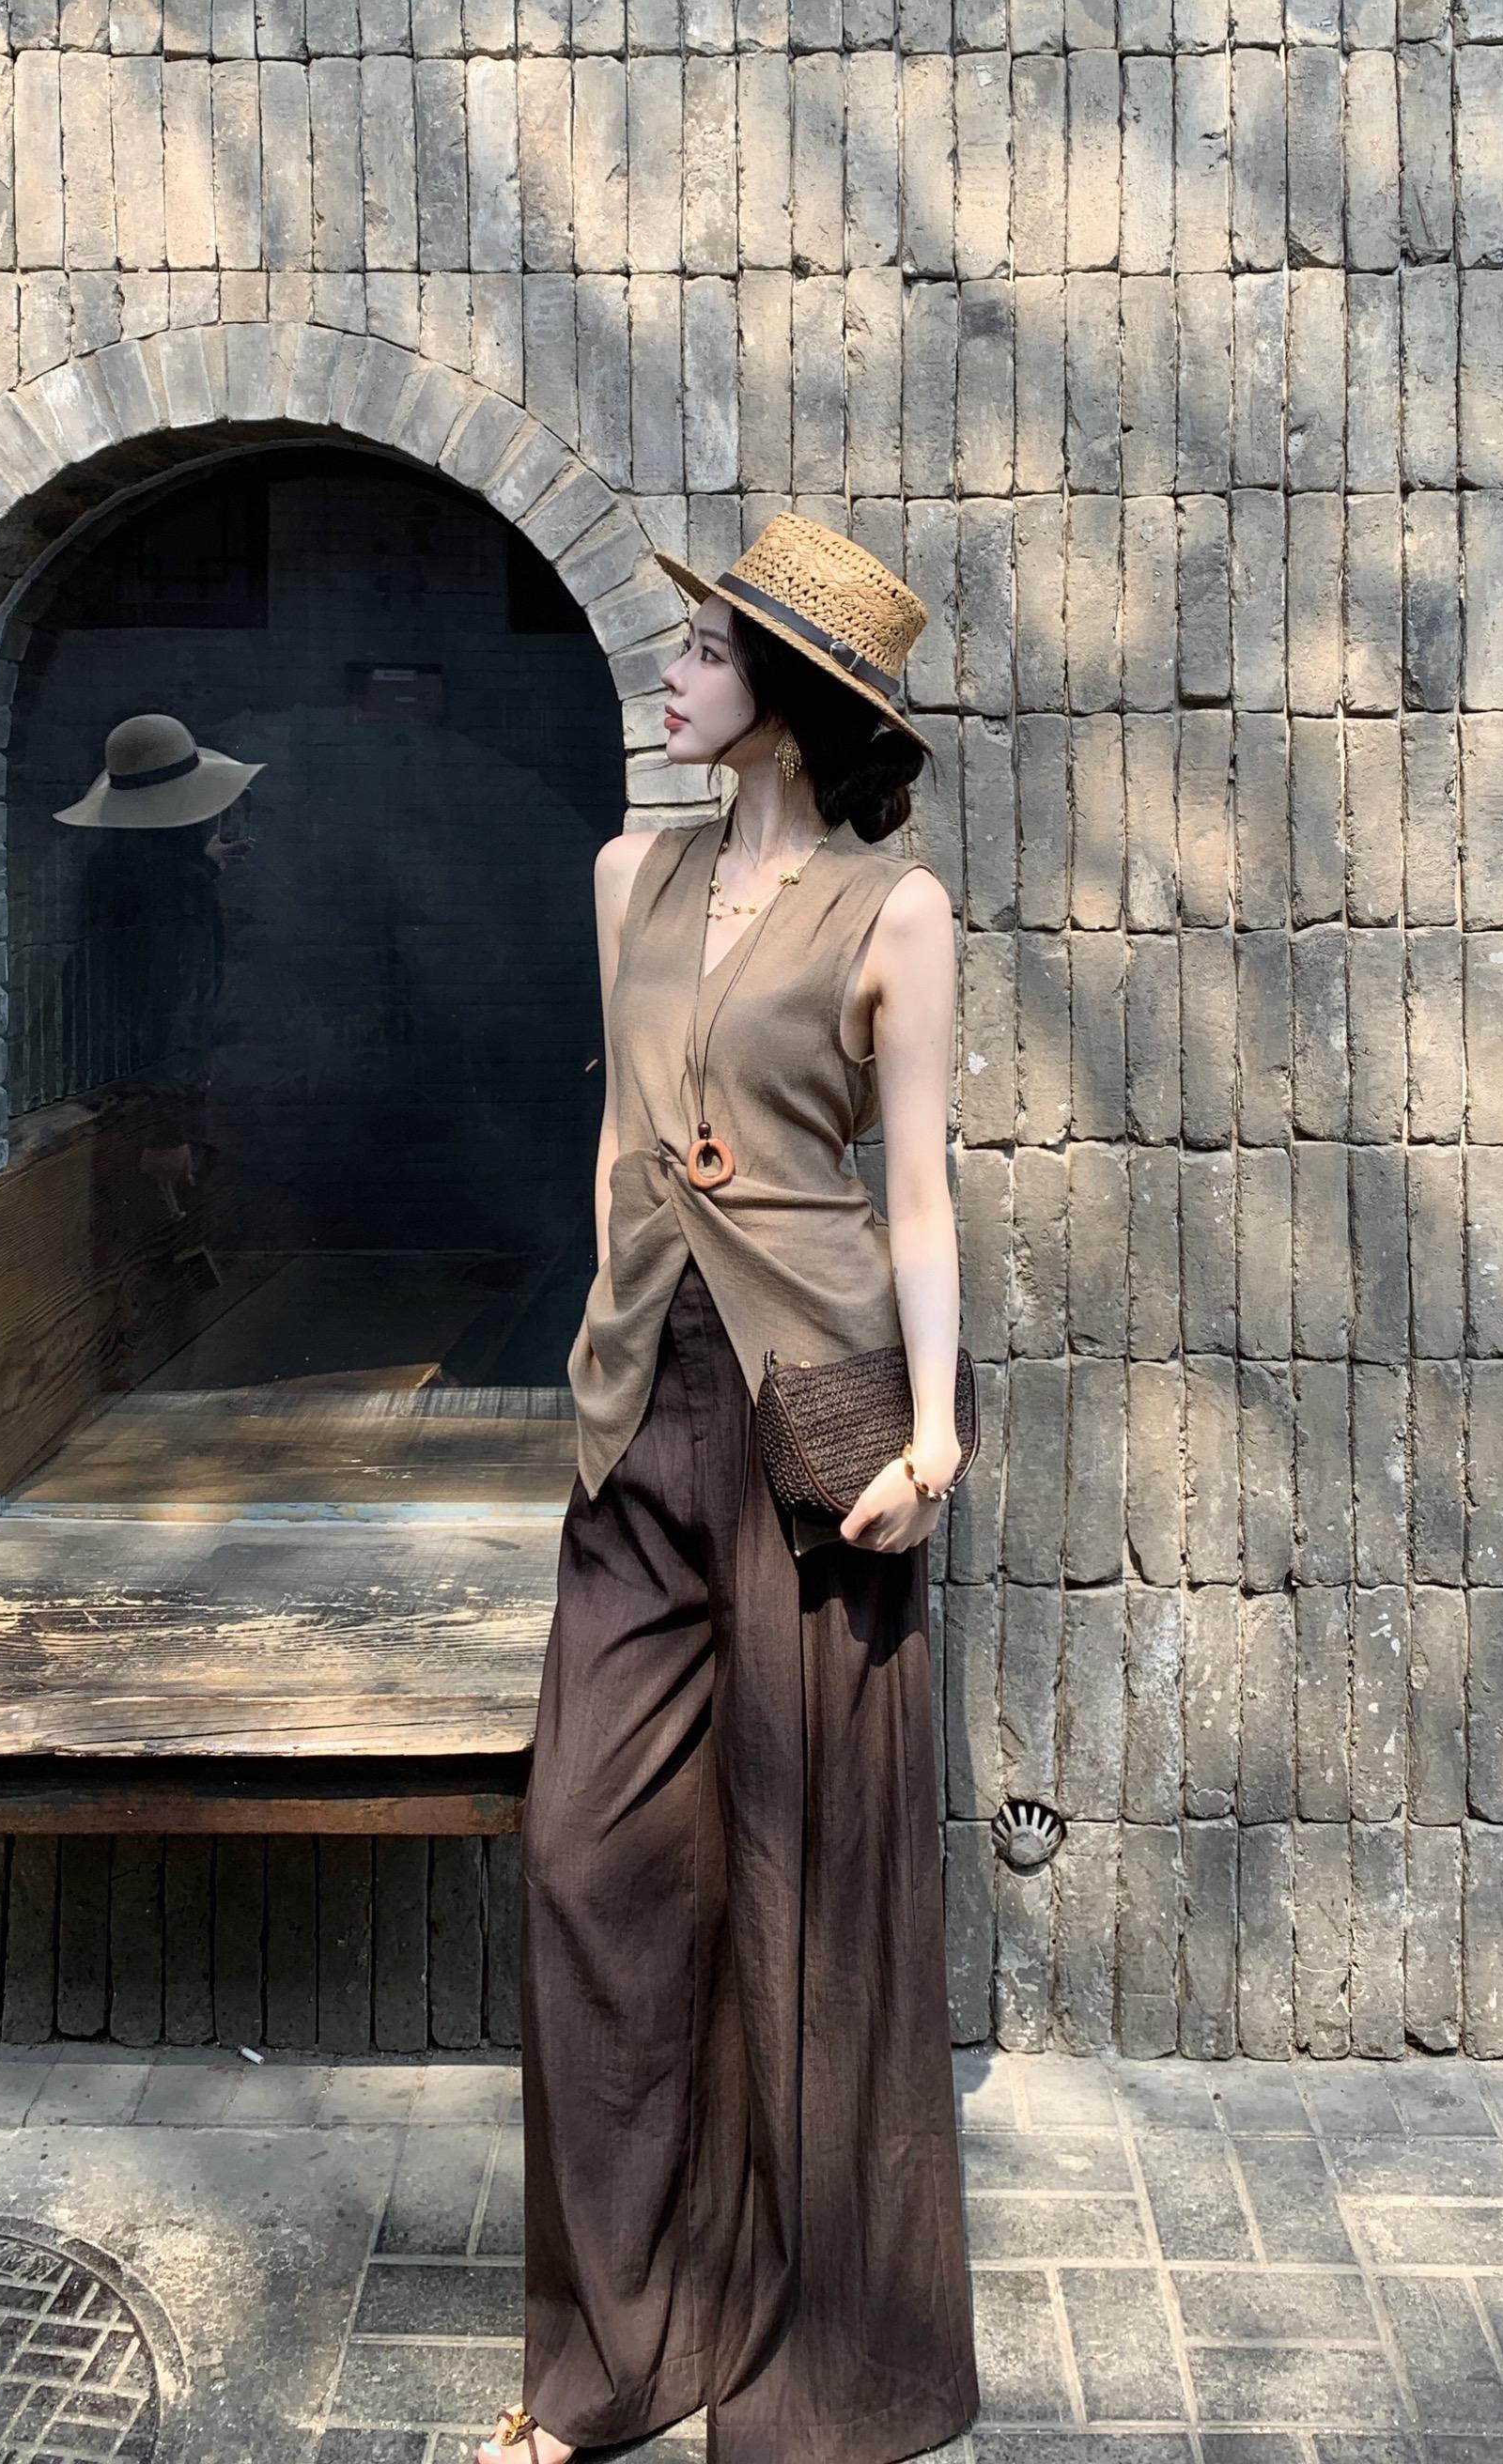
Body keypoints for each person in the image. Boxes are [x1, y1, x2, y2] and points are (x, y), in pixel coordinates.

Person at [478, 515, 980, 2464]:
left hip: (819, 1417)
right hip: (641, 1409)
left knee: (811, 1883)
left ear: (787, 697)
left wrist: (934, 1435)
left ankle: (824, 2363)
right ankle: (615, 2352)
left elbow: (913, 1189)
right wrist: (593, 1348)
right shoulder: (631, 875)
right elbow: (623, 1136)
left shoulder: (893, 910)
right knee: (590, 1854)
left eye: (704, 656)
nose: (671, 679)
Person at [54, 710, 264, 1216]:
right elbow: (174, 1012)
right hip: (143, 1105)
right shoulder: (180, 890)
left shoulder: (111, 863)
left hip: (97, 1082)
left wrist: (202, 866)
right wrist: (168, 1133)